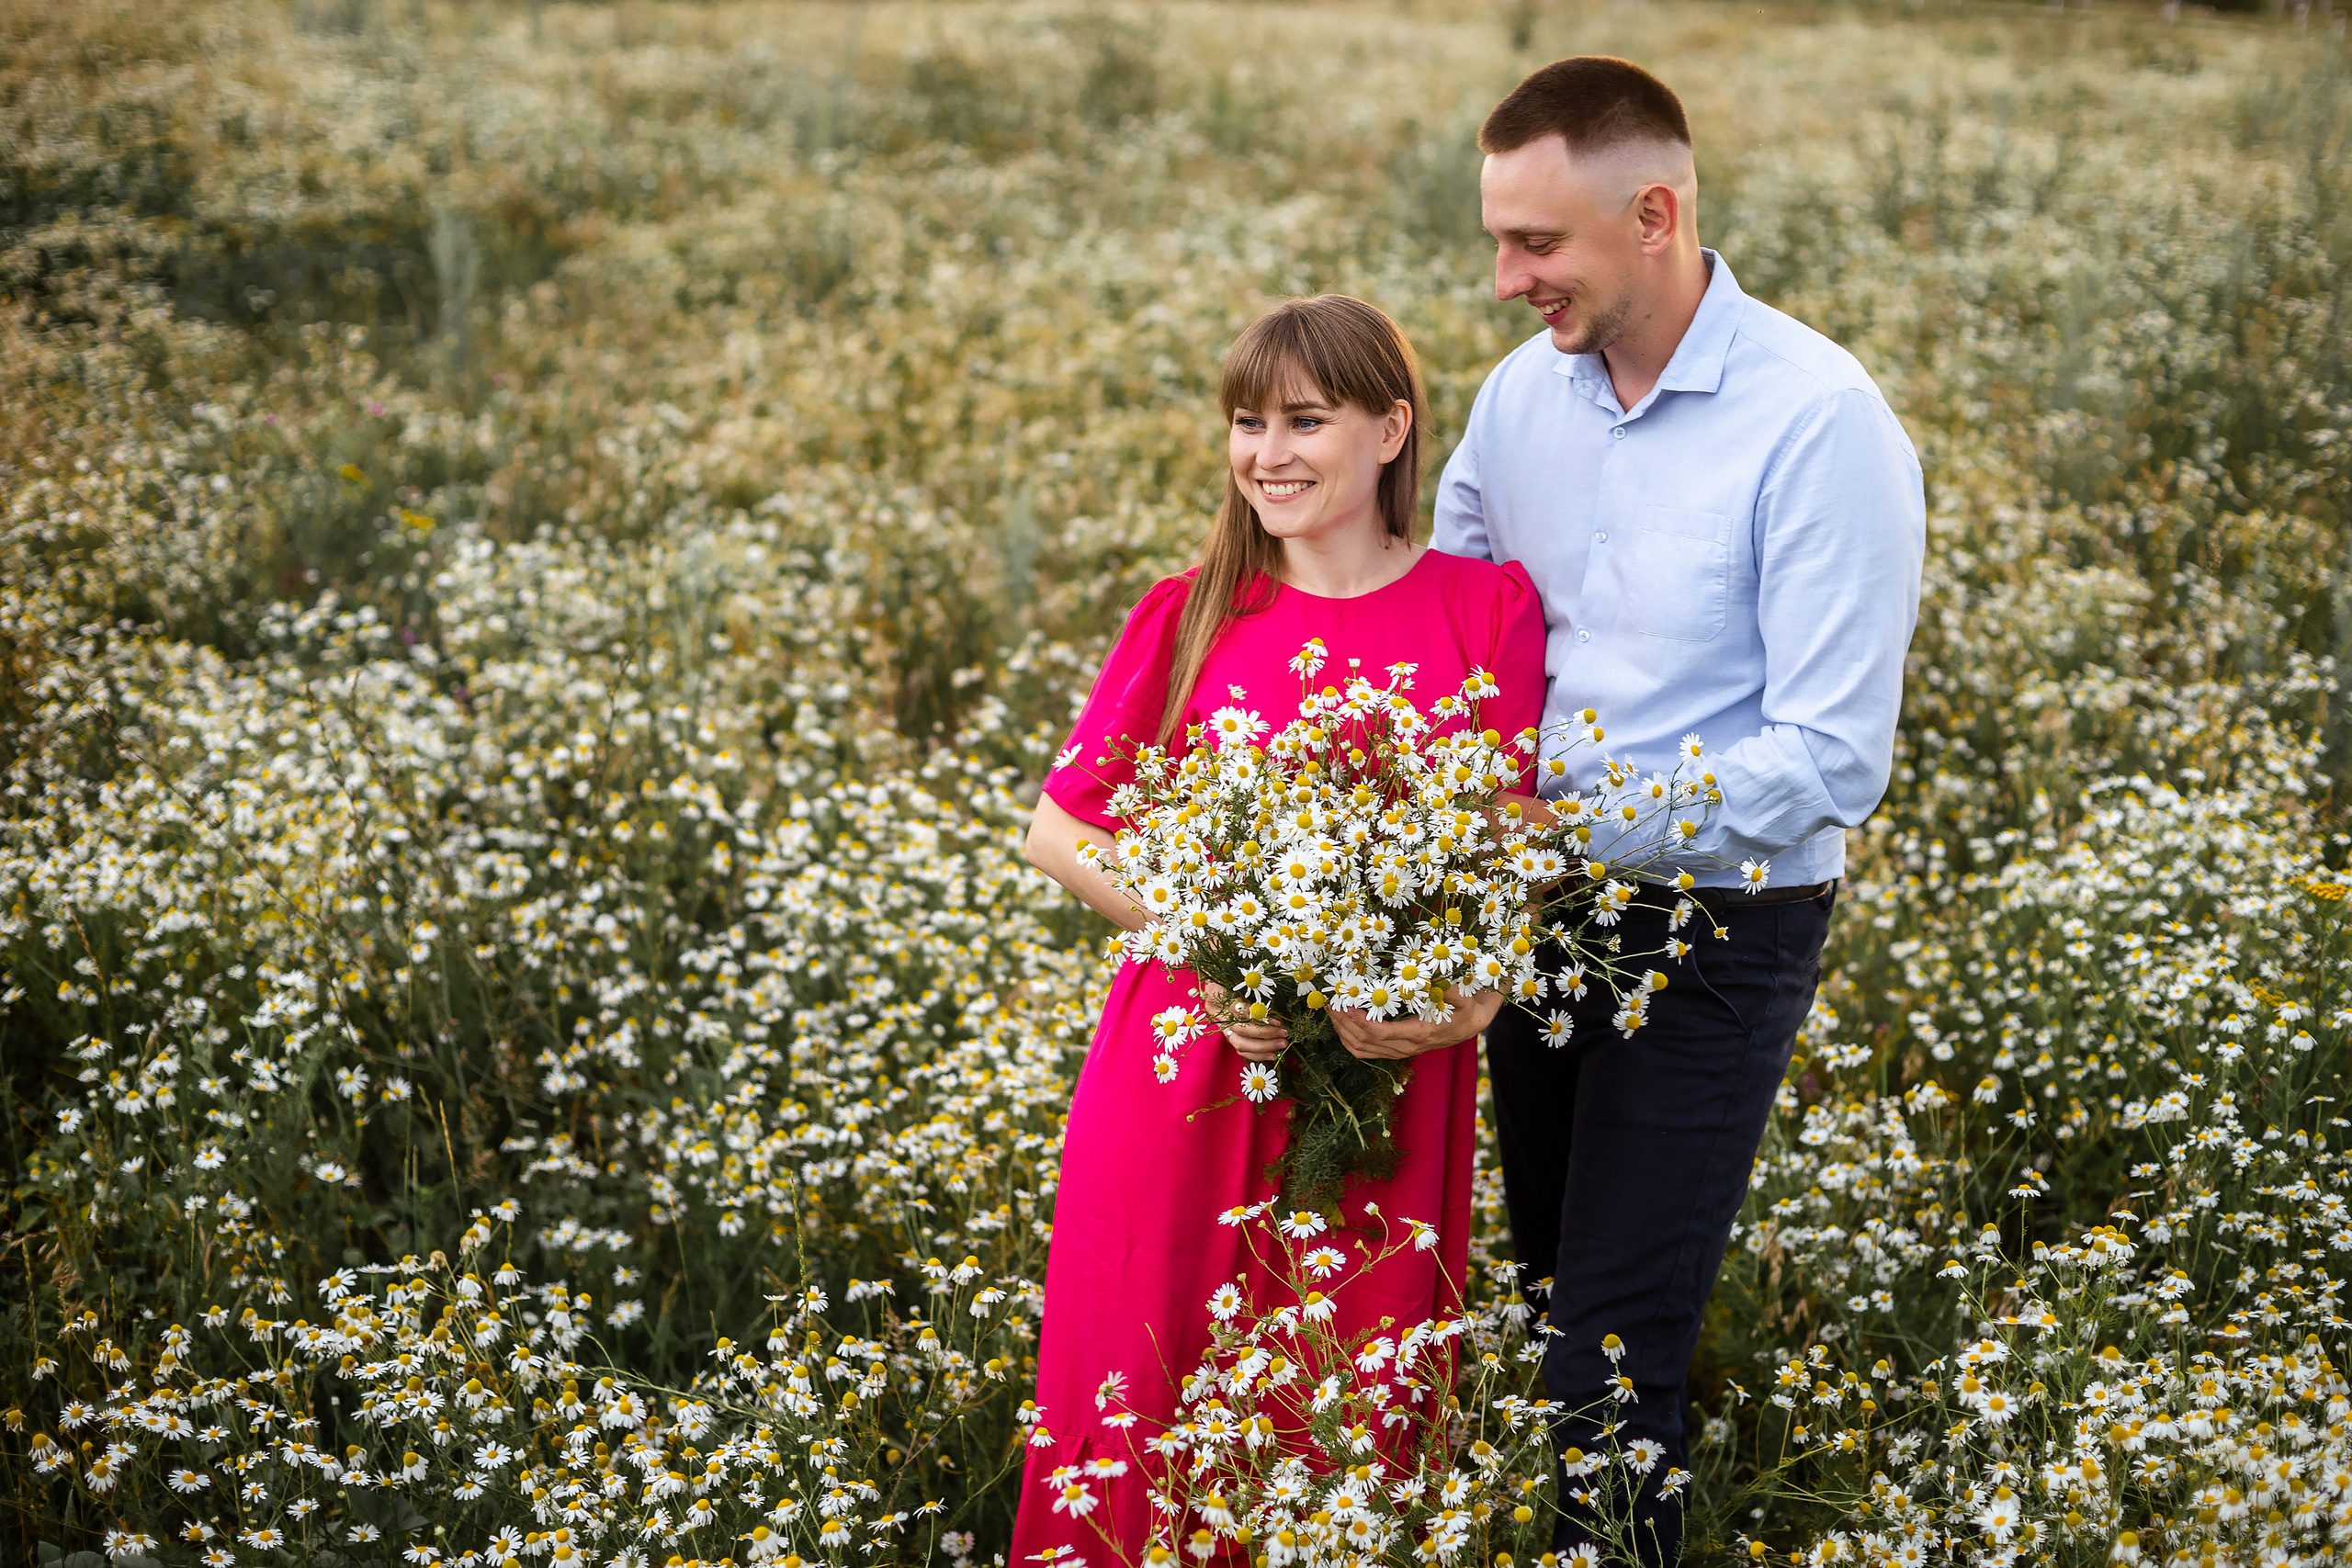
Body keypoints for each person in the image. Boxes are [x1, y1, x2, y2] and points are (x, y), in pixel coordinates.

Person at [1338, 56, 1928, 1564]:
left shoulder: (1818, 420)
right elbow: (1446, 619)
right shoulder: (1525, 399)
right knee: (1552, 1298)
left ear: (1652, 215)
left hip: (1722, 923)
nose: (1502, 280)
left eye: (1535, 246)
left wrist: (1564, 830)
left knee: (1611, 1342)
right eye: (1495, 239)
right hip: (1533, 910)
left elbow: (1830, 755)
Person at [1010, 294, 1549, 1566]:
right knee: (1148, 1376)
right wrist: (1222, 943)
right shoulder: (1193, 609)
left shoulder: (1488, 612)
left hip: (1378, 1069)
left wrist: (1464, 992)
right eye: (1248, 423)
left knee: (1345, 1395)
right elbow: (1059, 829)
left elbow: (1507, 843)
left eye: (1306, 420)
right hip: (1192, 1055)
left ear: (1390, 429)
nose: (1270, 454)